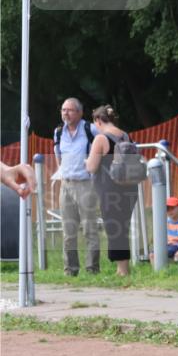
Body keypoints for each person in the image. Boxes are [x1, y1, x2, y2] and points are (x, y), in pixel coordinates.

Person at [85, 105, 140, 276]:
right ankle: (123, 268)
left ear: (98, 120)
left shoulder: (100, 139)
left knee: (114, 229)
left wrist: (85, 162)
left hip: (111, 190)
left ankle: (122, 270)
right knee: (122, 227)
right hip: (130, 188)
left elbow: (92, 168)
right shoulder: (126, 136)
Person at [54, 98, 100, 276]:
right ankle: (70, 270)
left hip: (86, 184)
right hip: (66, 184)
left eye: (70, 110)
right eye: (63, 110)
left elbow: (105, 146)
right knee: (68, 231)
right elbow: (57, 154)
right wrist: (61, 172)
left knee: (90, 228)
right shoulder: (58, 132)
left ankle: (92, 269)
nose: (66, 113)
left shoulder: (90, 129)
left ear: (80, 113)